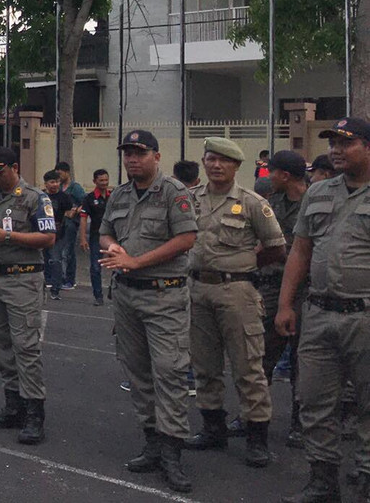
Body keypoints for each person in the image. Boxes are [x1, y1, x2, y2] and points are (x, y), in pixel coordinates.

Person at [99, 129, 199, 493]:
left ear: (156, 156)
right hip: (127, 295)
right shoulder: (120, 194)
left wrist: (137, 261)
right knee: (138, 373)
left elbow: (186, 238)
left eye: (139, 153)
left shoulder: (174, 192)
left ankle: (172, 451)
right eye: (127, 153)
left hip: (164, 295)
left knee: (169, 372)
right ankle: (153, 441)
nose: (132, 159)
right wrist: (114, 248)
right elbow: (105, 232)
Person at [276, 118, 370, 503]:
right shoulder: (319, 191)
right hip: (317, 314)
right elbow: (300, 251)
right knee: (314, 400)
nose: (336, 150)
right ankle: (322, 481)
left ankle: (365, 477)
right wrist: (285, 304)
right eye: (333, 143)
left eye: (347, 143)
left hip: (364, 315)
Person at [182, 137, 284, 468]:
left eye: (224, 161)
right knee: (204, 365)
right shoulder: (190, 200)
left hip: (237, 292)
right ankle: (213, 428)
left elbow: (276, 247)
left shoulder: (252, 203)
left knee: (248, 366)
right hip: (198, 289)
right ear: (203, 162)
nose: (216, 165)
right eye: (211, 159)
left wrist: (244, 265)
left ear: (237, 166)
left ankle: (256, 437)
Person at [0, 146, 56, 445]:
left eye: (0, 173)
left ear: (15, 168)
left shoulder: (35, 198)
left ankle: (34, 413)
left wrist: (7, 235)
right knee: (1, 344)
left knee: (26, 347)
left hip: (23, 278)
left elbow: (48, 238)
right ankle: (13, 404)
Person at [250, 149, 307, 448]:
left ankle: (301, 422)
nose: (268, 176)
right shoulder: (273, 203)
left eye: (272, 171)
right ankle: (255, 416)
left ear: (285, 175)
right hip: (272, 286)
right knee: (261, 354)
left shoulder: (313, 203)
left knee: (302, 359)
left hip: (305, 290)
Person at [78, 169, 112, 307]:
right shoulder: (89, 198)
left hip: (113, 236)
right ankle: (98, 296)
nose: (104, 183)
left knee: (117, 265)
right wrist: (82, 238)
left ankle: (113, 290)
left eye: (106, 180)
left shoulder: (113, 196)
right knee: (95, 267)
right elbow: (83, 218)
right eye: (101, 180)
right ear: (95, 181)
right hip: (96, 236)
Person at [42, 170, 74, 300]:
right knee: (41, 260)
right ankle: (40, 286)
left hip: (58, 234)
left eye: (57, 182)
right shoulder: (40, 196)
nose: (55, 185)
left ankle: (55, 289)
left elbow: (70, 211)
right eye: (52, 182)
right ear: (46, 183)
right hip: (41, 233)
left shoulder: (64, 197)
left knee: (56, 260)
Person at [56, 161, 87, 291]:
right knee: (59, 251)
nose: (59, 176)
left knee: (68, 251)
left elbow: (85, 203)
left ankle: (69, 279)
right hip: (60, 223)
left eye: (60, 174)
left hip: (71, 223)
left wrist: (76, 210)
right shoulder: (58, 187)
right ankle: (60, 277)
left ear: (67, 172)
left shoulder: (75, 188)